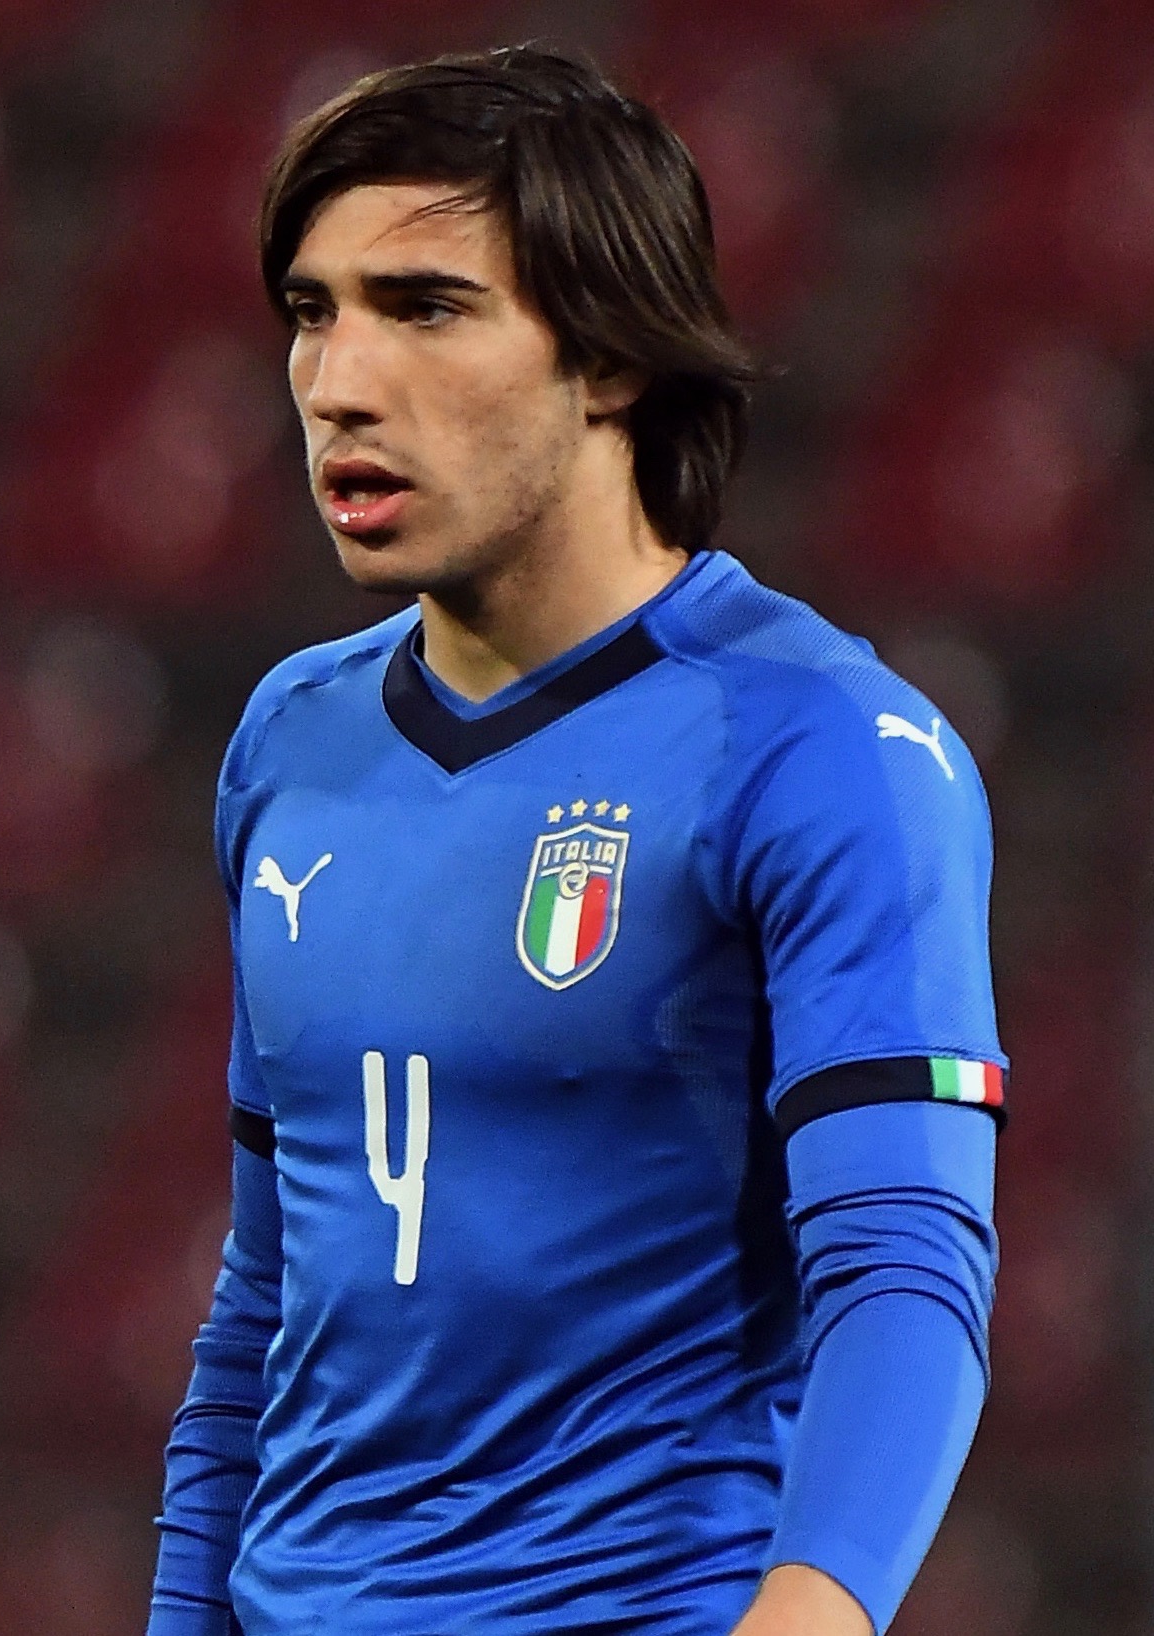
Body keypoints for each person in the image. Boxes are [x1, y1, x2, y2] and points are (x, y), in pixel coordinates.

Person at [150, 46, 1003, 1636]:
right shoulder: (292, 741)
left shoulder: (824, 751)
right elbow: (271, 1303)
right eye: (312, 312)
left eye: (424, 308)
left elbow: (902, 1268)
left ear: (609, 355)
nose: (339, 382)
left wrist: (810, 1619)